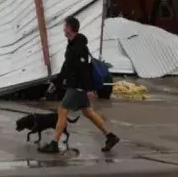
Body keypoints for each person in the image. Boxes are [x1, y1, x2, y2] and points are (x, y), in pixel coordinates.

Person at [38, 16, 120, 154]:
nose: (63, 29)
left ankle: (54, 143)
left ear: (69, 28)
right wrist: (58, 81)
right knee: (88, 112)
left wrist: (89, 89)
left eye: (65, 26)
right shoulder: (72, 44)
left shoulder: (79, 46)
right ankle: (110, 136)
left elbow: (83, 70)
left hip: (78, 87)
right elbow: (68, 66)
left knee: (62, 110)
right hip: (76, 85)